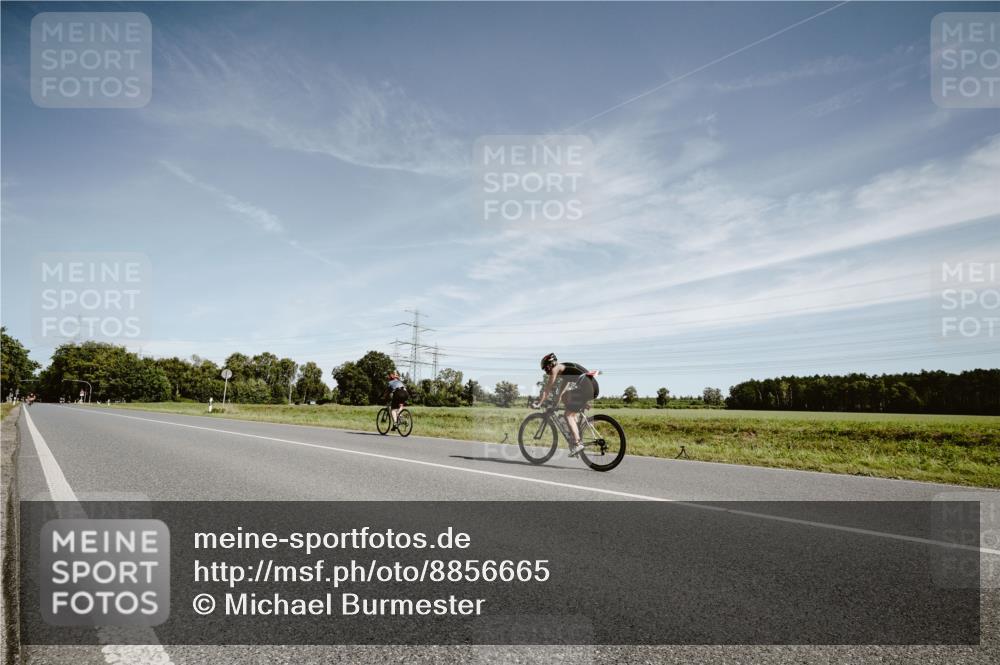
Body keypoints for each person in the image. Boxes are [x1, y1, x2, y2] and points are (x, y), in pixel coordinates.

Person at [534, 353, 599, 457]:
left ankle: (577, 443)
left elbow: (547, 389)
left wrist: (539, 402)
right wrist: (558, 398)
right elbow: (564, 386)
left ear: (550, 364)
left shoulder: (556, 369)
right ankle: (575, 434)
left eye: (546, 369)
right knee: (565, 397)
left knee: (568, 415)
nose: (546, 372)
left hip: (587, 388)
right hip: (592, 387)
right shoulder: (564, 369)